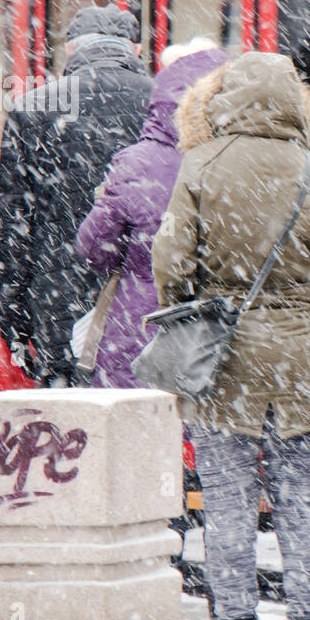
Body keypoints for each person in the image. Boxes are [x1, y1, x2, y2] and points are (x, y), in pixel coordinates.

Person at [152, 52, 310, 620]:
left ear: (223, 101)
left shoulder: (201, 165)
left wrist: (195, 310)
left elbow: (170, 261)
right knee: (301, 499)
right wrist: (300, 308)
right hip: (298, 355)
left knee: (229, 502)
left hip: (226, 358)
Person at [0, 5, 152, 386]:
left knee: (71, 429)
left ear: (71, 51)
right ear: (136, 50)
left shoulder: (33, 108)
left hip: (59, 300)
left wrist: (13, 319)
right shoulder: (167, 106)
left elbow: (11, 228)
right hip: (147, 302)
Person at [76, 42, 228, 389]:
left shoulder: (138, 162)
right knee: (209, 437)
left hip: (141, 326)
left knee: (136, 432)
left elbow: (93, 246)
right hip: (220, 333)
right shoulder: (242, 161)